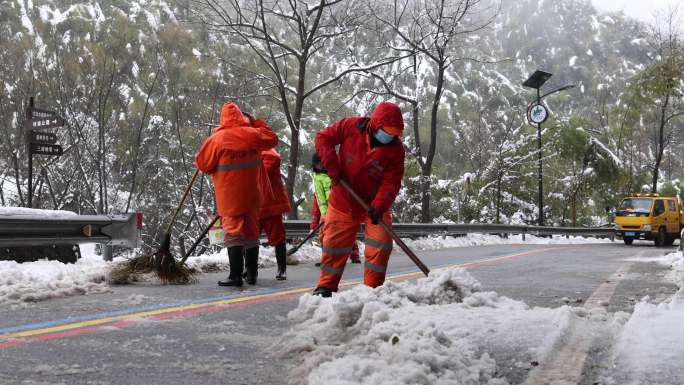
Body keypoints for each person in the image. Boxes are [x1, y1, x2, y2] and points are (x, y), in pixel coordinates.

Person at [312, 101, 405, 297]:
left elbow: (391, 182)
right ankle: (326, 287)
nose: (389, 136)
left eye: (393, 133)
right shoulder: (350, 126)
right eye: (386, 131)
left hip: (374, 204)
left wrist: (379, 205)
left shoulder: (396, 150)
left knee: (381, 243)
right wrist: (332, 165)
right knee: (334, 246)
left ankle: (372, 291)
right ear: (375, 124)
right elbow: (323, 138)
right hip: (344, 200)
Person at [195, 102, 278, 287]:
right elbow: (272, 139)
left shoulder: (217, 139)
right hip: (252, 194)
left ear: (222, 118)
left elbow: (203, 164)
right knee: (251, 232)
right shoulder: (253, 135)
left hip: (230, 195)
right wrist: (256, 123)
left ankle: (235, 275)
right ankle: (252, 274)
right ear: (241, 116)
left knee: (233, 232)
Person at [310, 153, 360, 265]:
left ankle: (354, 255)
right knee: (323, 234)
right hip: (327, 209)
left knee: (347, 231)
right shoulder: (317, 177)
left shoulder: (336, 171)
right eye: (318, 164)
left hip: (342, 206)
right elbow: (320, 196)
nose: (320, 166)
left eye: (321, 163)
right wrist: (324, 213)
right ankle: (326, 257)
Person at [258, 147, 291, 280]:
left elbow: (272, 160)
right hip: (254, 205)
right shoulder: (249, 152)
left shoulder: (267, 152)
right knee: (249, 238)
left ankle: (282, 269)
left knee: (278, 237)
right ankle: (249, 269)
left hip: (271, 204)